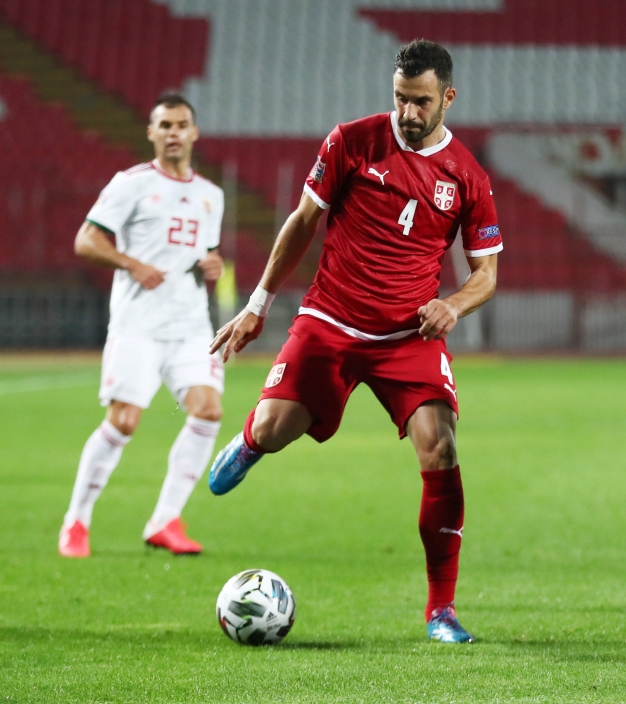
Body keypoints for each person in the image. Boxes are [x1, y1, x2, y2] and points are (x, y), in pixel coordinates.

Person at [206, 40, 502, 644]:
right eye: (400, 98)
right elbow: (302, 222)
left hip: (408, 336)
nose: (408, 113)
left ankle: (441, 611)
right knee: (275, 428)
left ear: (448, 97)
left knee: (440, 447)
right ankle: (251, 441)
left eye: (421, 102)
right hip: (331, 319)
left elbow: (487, 273)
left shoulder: (468, 176)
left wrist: (452, 304)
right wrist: (257, 305)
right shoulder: (352, 141)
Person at [60, 94, 225, 558]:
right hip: (138, 326)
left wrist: (210, 265)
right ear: (151, 132)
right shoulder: (131, 183)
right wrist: (131, 263)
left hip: (190, 326)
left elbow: (203, 256)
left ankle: (165, 519)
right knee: (124, 421)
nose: (173, 133)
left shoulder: (211, 196)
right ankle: (76, 521)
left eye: (181, 124)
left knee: (208, 411)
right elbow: (86, 239)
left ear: (194, 132)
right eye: (164, 125)